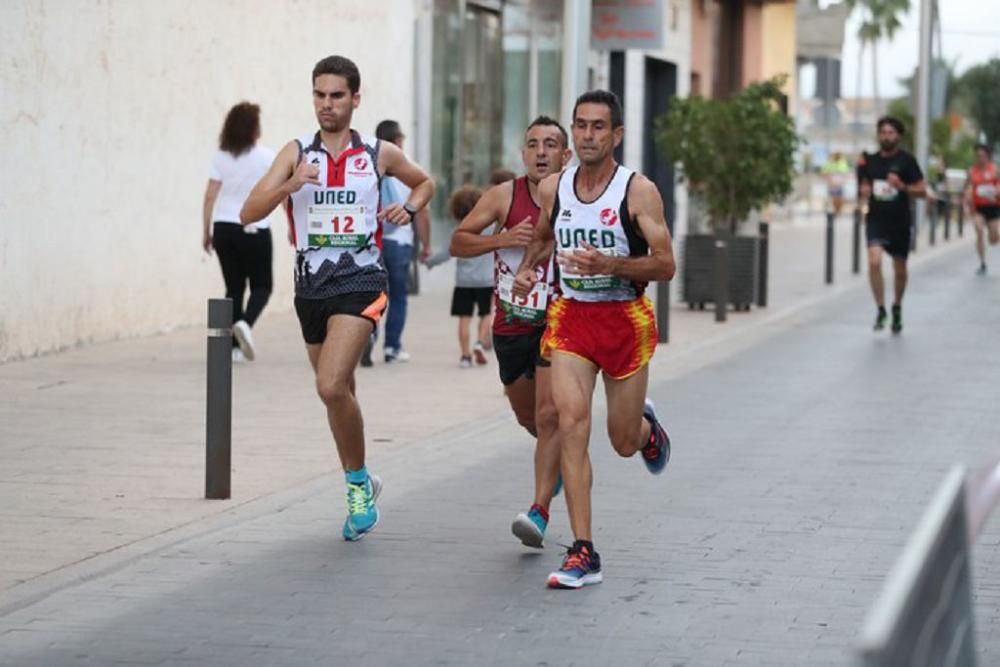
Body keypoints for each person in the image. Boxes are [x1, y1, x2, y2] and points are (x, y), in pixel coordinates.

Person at [241, 55, 434, 541]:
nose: (326, 105)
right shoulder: (295, 152)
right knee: (341, 394)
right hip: (311, 289)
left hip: (364, 281)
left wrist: (408, 209)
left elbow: (425, 182)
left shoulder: (378, 153)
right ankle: (365, 476)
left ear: (355, 99)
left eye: (336, 96)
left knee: (330, 386)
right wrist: (290, 183)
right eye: (319, 95)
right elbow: (248, 212)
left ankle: (354, 485)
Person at [513, 91, 674, 588]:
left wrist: (612, 265)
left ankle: (647, 431)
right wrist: (526, 269)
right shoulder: (554, 188)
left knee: (621, 442)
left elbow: (666, 265)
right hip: (572, 319)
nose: (587, 135)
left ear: (616, 135)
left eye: (598, 127)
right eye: (580, 126)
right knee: (570, 422)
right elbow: (543, 235)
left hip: (625, 321)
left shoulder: (638, 191)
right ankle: (583, 550)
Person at [449, 116, 572, 548]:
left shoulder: (579, 199)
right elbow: (458, 241)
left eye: (551, 144)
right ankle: (555, 459)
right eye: (533, 144)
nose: (541, 152)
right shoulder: (504, 196)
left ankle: (539, 511)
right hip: (511, 322)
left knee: (548, 414)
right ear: (523, 154)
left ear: (566, 155)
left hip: (560, 321)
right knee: (528, 417)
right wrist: (499, 241)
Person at [202, 102, 276, 362]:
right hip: (254, 226)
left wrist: (206, 230)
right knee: (262, 286)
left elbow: (210, 196)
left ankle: (233, 348)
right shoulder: (266, 157)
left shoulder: (220, 156)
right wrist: (292, 226)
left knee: (233, 288)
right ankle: (245, 324)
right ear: (253, 127)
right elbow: (281, 192)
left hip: (223, 227)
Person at [358, 120, 431, 366]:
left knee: (375, 295)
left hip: (374, 242)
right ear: (398, 140)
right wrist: (426, 245)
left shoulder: (368, 164)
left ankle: (369, 335)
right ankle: (392, 347)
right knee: (398, 296)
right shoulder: (409, 169)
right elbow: (421, 211)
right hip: (400, 242)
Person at [857, 116, 927, 334]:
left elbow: (922, 191)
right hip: (876, 219)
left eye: (890, 133)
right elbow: (864, 186)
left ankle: (897, 305)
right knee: (874, 261)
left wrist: (902, 186)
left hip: (899, 222)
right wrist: (864, 191)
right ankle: (880, 309)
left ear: (898, 136)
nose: (886, 136)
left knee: (900, 270)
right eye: (883, 132)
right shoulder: (870, 161)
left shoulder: (907, 161)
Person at [425, 186, 494, 367]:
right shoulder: (492, 229)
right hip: (487, 280)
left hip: (464, 282)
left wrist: (429, 262)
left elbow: (446, 253)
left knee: (464, 318)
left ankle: (465, 356)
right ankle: (480, 342)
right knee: (486, 314)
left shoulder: (459, 230)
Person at [965, 144, 1000, 275]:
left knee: (993, 240)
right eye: (978, 156)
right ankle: (982, 262)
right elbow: (968, 187)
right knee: (979, 230)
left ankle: (995, 235)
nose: (980, 158)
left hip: (993, 206)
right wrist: (967, 200)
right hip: (978, 207)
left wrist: (996, 191)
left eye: (983, 156)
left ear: (988, 156)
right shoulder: (971, 171)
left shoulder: (995, 169)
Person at [821, 152, 851, 217]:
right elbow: (824, 173)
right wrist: (829, 180)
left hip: (840, 184)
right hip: (832, 184)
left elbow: (846, 174)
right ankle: (835, 211)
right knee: (834, 198)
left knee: (840, 198)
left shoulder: (843, 163)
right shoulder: (829, 163)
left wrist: (843, 181)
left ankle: (838, 211)